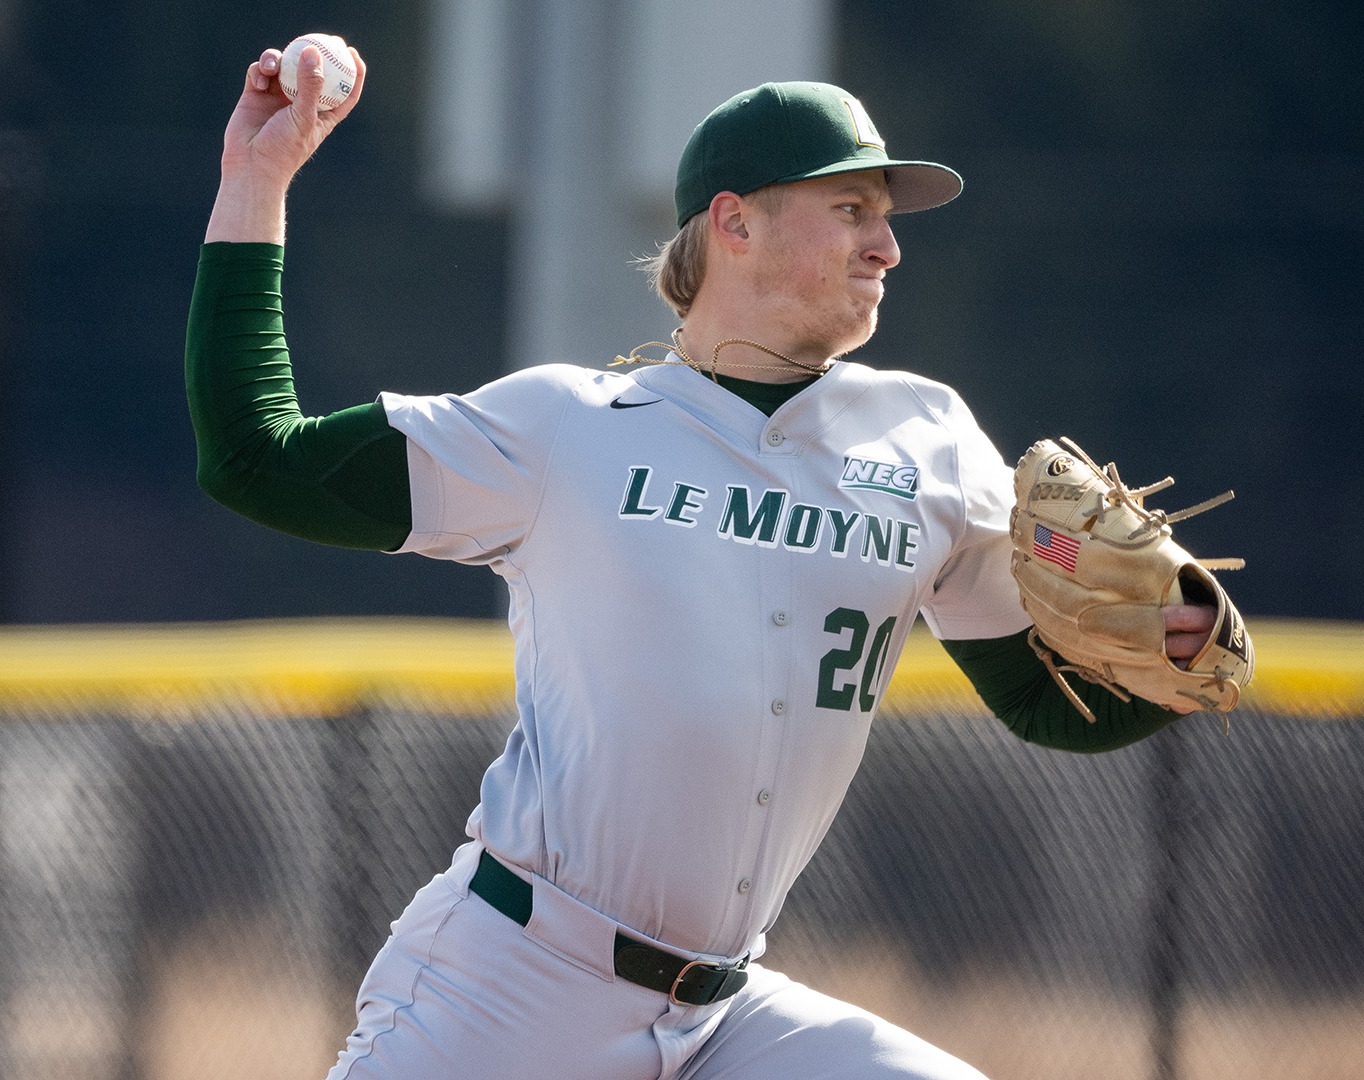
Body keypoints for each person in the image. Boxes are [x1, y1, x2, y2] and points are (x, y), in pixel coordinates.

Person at [188, 44, 1220, 1080]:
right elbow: (256, 457)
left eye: (886, 216)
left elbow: (1046, 705)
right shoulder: (568, 429)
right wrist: (257, 177)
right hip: (512, 988)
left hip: (725, 1015)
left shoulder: (929, 441)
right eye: (854, 209)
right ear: (735, 222)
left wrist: (1177, 656)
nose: (889, 247)